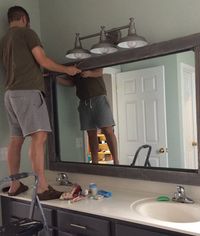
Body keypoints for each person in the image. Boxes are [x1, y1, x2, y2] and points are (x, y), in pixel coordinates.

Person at [0, 6, 81, 200]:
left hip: (10, 94)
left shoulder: (4, 40)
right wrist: (67, 70)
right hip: (27, 93)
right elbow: (43, 60)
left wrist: (37, 72)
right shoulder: (28, 33)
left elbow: (23, 65)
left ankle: (15, 184)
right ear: (24, 18)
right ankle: (42, 188)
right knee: (40, 136)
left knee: (16, 139)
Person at [57, 68, 119, 165]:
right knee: (91, 133)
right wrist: (55, 80)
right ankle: (94, 163)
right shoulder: (73, 66)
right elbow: (72, 83)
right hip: (83, 102)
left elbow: (99, 72)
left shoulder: (92, 60)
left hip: (99, 98)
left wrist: (89, 73)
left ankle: (116, 161)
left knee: (108, 130)